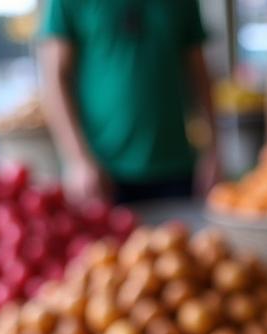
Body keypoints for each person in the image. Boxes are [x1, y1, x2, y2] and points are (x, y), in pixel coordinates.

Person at [39, 0, 220, 205]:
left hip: (176, 167)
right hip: (101, 173)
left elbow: (200, 74)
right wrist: (78, 160)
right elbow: (55, 80)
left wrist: (213, 152)